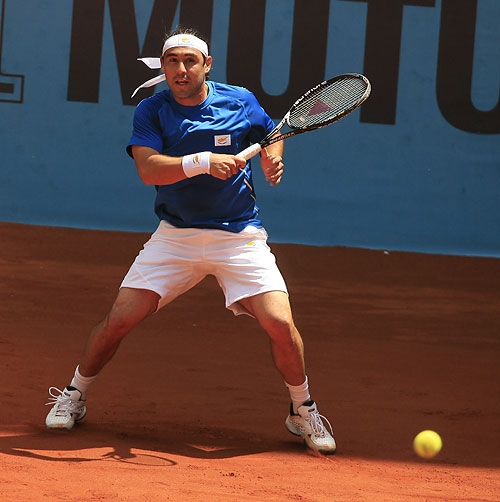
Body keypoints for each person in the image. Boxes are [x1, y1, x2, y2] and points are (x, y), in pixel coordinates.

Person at [45, 27, 336, 455]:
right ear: (163, 67)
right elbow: (149, 170)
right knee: (119, 320)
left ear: (207, 65)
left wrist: (272, 161)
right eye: (172, 62)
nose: (180, 69)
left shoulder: (239, 100)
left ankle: (302, 408)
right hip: (176, 237)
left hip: (239, 236)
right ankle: (75, 393)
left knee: (280, 324)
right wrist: (202, 162)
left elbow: (271, 135)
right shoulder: (152, 110)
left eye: (189, 61)